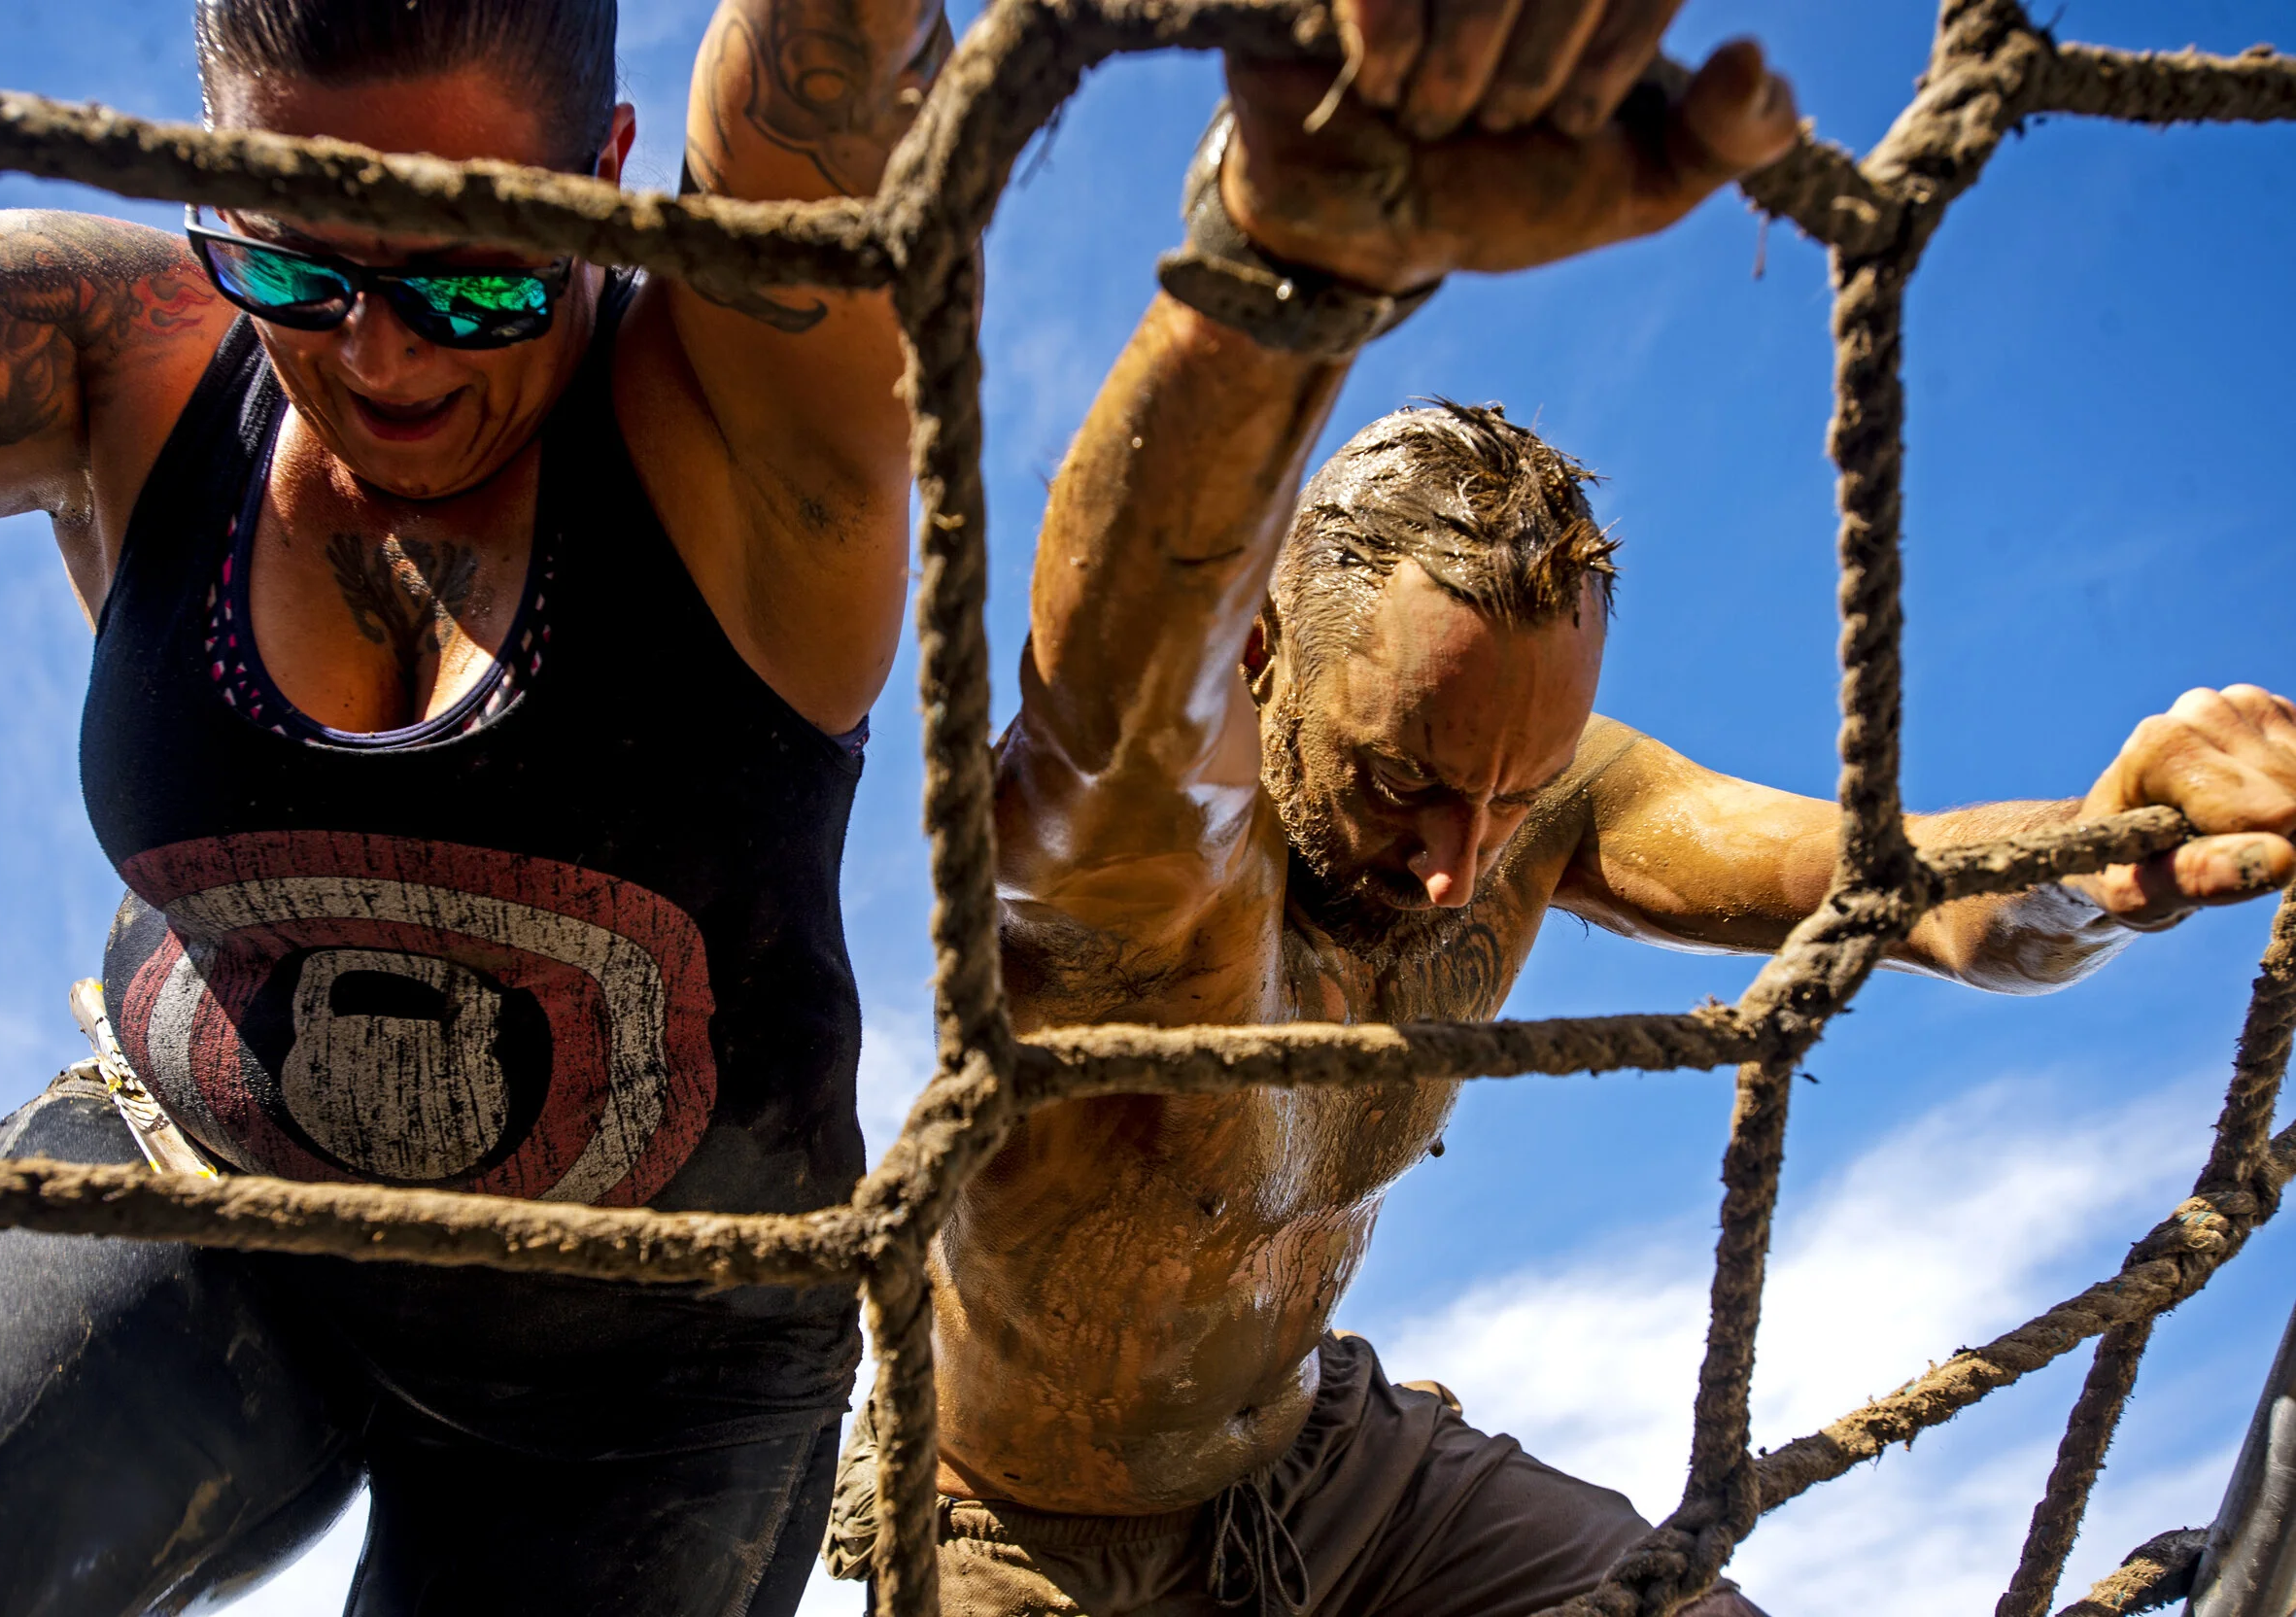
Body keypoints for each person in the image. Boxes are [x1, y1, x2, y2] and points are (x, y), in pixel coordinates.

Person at [820, 9, 2296, 1617]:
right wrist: (1284, 267)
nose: (1461, 868)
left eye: (1511, 796)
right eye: (1404, 785)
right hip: (1016, 1528)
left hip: (1341, 1471)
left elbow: (1891, 889)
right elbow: (1111, 674)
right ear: (1263, 659)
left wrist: (2098, 852)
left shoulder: (1535, 808)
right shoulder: (1151, 863)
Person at [0, 0, 948, 1609]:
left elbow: (811, 89)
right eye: (296, 267)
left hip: (647, 1383)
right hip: (204, 1192)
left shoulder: (741, 425)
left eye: (477, 273)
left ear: (605, 177)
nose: (379, 357)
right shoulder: (126, 356)